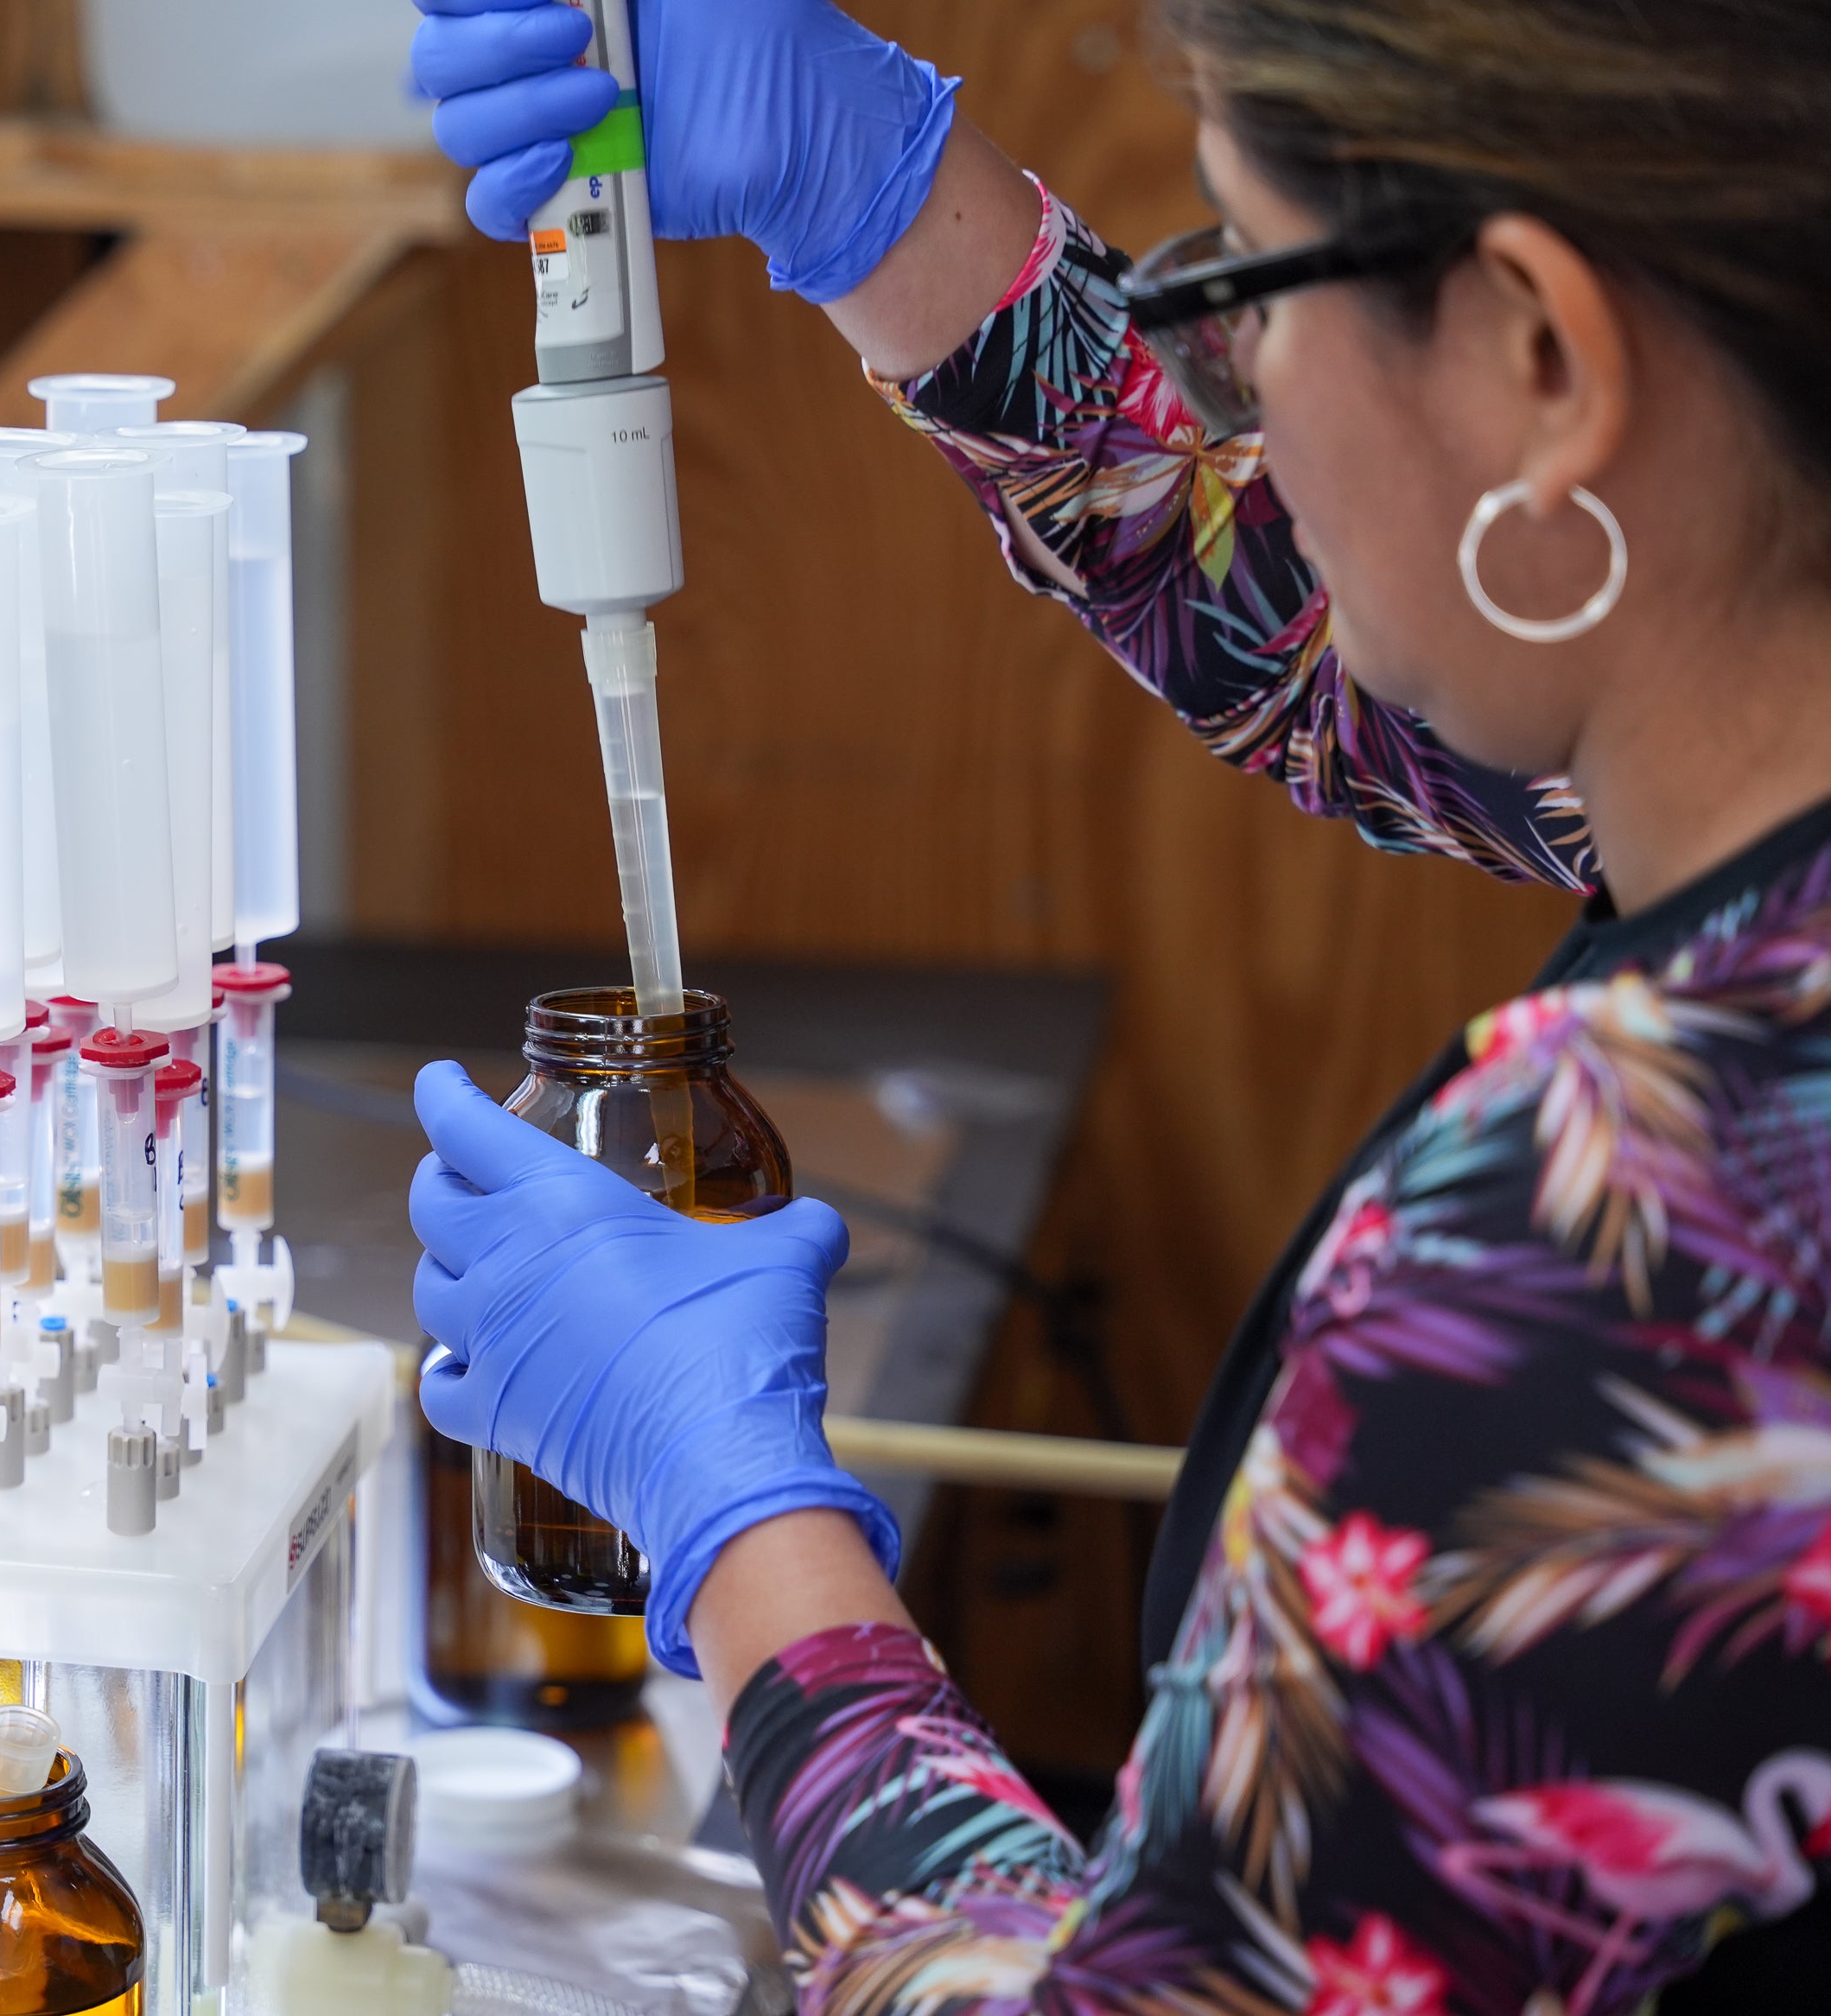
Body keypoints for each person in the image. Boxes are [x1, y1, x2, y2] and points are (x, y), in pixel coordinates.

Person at [404, 1, 1831, 2006]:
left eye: (1243, 275)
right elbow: (1352, 627)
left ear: (1537, 352)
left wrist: (742, 1535)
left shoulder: (1657, 1221)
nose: (1228, 363)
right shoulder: (1752, 727)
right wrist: (889, 202)